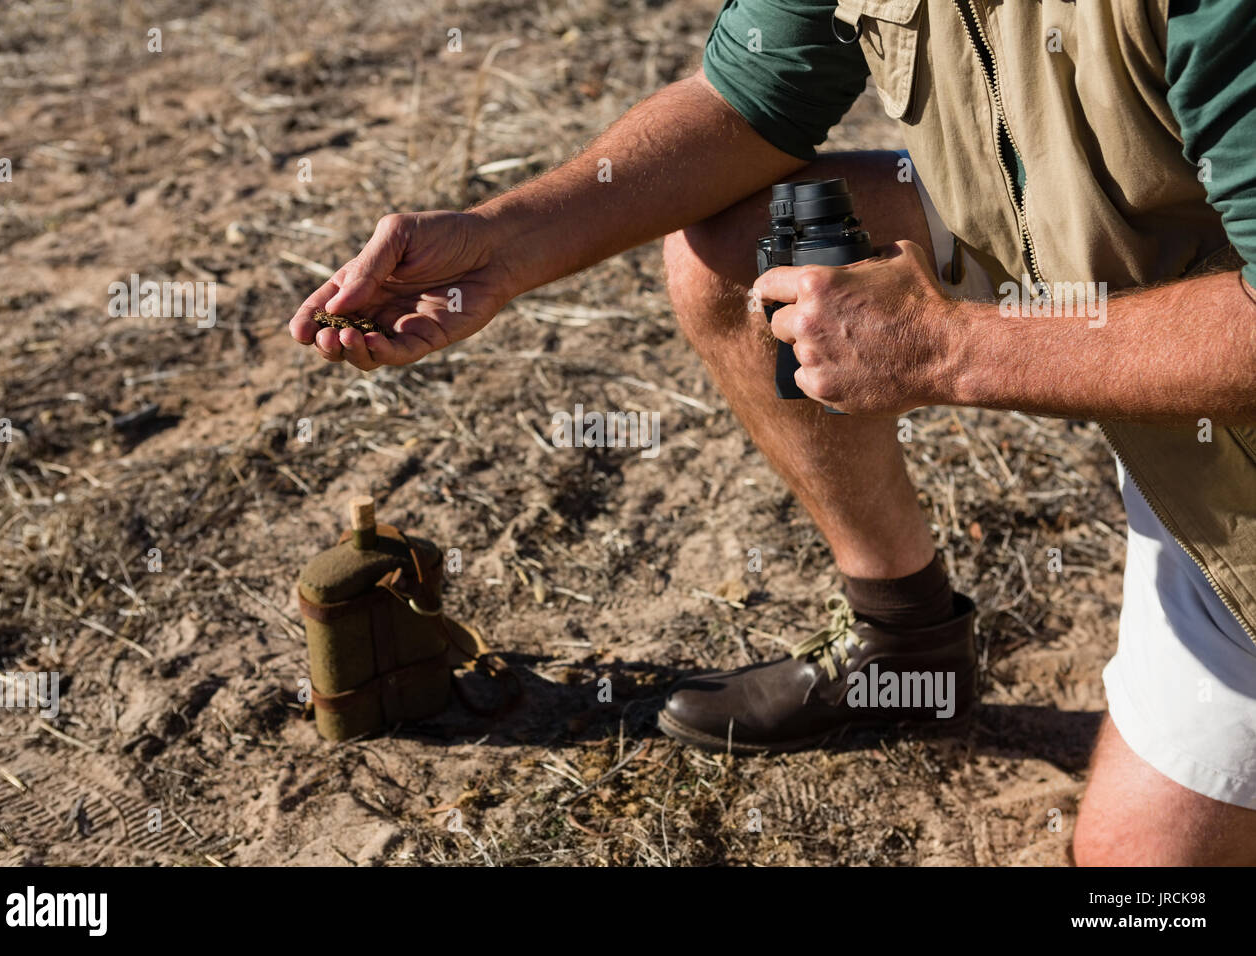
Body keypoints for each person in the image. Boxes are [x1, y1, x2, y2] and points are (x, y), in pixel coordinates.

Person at [290, 0, 1256, 865]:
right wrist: (501, 246)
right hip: (1123, 302)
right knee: (747, 240)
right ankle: (902, 643)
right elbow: (743, 102)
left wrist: (953, 350)